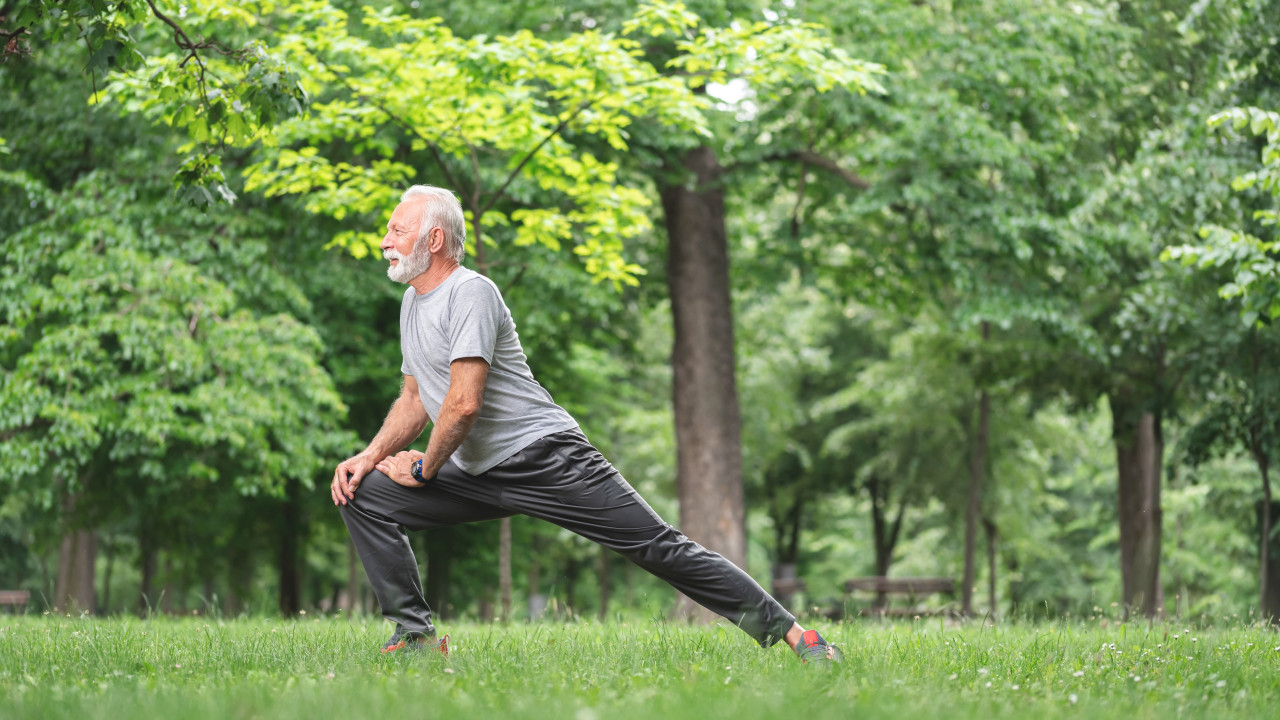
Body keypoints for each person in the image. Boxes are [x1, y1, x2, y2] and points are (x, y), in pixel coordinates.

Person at [330, 184, 842, 663]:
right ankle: (415, 635)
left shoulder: (471, 293)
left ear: (434, 238)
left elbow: (463, 405)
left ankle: (799, 636)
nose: (385, 241)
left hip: (544, 456)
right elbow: (416, 399)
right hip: (475, 468)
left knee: (657, 545)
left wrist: (424, 470)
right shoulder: (412, 304)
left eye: (397, 230)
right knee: (364, 492)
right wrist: (371, 457)